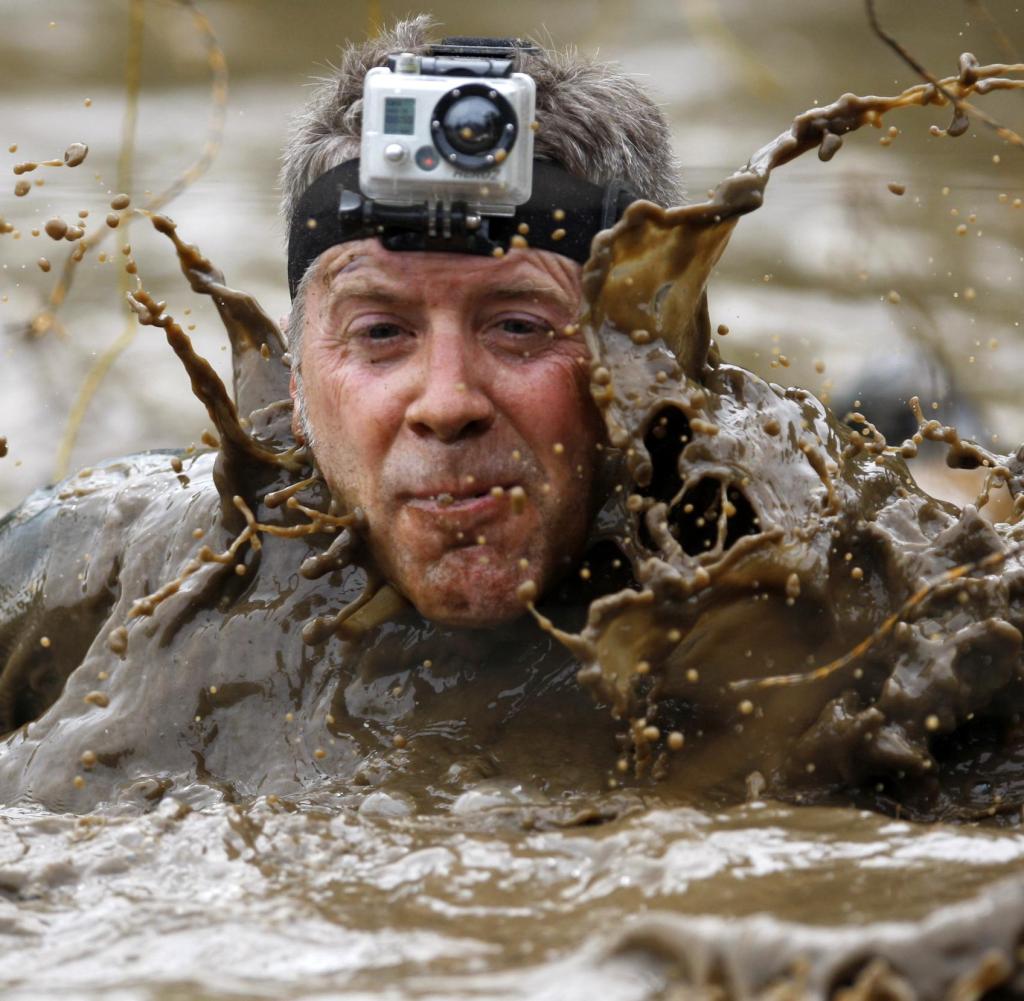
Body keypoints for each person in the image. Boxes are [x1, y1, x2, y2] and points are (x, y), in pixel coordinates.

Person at [0, 19, 685, 808]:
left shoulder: (800, 613)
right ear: (294, 378)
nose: (446, 402)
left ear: (644, 364)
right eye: (382, 332)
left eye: (520, 326)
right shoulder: (99, 577)